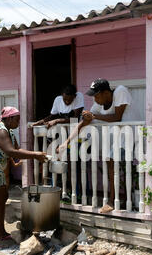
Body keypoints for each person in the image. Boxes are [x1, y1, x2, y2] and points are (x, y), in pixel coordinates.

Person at [0, 106, 47, 250]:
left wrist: (31, 155)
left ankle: (0, 232)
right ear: (9, 118)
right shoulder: (0, 130)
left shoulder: (10, 132)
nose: (18, 122)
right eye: (17, 119)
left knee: (2, 197)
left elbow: (16, 150)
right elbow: (10, 150)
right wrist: (35, 155)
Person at [57, 78, 134, 213]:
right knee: (113, 164)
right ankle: (118, 199)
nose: (95, 99)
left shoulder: (120, 91)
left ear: (105, 92)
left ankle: (113, 201)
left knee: (113, 162)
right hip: (116, 138)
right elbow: (84, 122)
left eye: (96, 95)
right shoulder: (99, 104)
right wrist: (66, 142)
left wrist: (94, 116)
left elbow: (117, 117)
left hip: (131, 135)